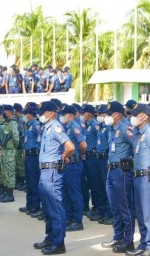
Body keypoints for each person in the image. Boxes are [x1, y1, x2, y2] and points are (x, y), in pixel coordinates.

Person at [33, 101, 74, 255]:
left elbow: (70, 147)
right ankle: (50, 237)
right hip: (45, 171)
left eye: (42, 112)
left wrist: (63, 158)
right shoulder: (47, 127)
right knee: (48, 207)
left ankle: (59, 242)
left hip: (52, 171)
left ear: (50, 113)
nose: (40, 115)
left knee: (55, 207)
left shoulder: (55, 127)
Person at [125, 103, 150, 256]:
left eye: (136, 114)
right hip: (137, 176)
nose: (133, 117)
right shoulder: (138, 133)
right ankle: (144, 243)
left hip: (148, 177)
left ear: (145, 116)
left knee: (149, 213)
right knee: (140, 213)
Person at [101, 101, 136, 253]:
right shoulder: (111, 129)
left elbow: (137, 146)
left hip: (122, 171)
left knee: (124, 207)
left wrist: (132, 163)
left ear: (118, 114)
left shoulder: (125, 128)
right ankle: (118, 237)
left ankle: (128, 241)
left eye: (109, 114)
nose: (107, 117)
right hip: (111, 171)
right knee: (114, 207)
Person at [59, 104, 87, 232]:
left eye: (63, 114)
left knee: (74, 192)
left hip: (74, 164)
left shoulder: (75, 127)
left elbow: (83, 145)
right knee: (66, 192)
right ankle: (69, 217)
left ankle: (77, 220)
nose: (62, 117)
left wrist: (77, 155)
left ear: (69, 115)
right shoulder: (65, 127)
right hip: (66, 163)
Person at [80, 104, 101, 221]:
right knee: (87, 182)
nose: (82, 115)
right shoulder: (85, 125)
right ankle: (91, 206)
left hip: (93, 157)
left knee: (94, 182)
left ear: (88, 113)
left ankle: (97, 206)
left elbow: (99, 140)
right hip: (86, 157)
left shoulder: (95, 125)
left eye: (84, 113)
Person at [19, 105, 41, 215]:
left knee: (34, 181)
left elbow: (40, 140)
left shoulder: (36, 125)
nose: (24, 116)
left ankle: (35, 206)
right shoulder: (28, 125)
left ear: (30, 114)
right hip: (28, 155)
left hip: (34, 156)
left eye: (26, 114)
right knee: (28, 181)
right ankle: (29, 204)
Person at [94, 104, 112, 225]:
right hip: (99, 159)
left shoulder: (108, 127)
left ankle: (109, 214)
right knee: (100, 186)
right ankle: (103, 211)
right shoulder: (100, 126)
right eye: (98, 114)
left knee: (107, 188)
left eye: (101, 114)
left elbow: (110, 145)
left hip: (106, 159)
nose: (99, 116)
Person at [0, 105, 19, 203]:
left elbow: (16, 138)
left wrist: (13, 147)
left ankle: (10, 195)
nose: (3, 113)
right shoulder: (5, 123)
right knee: (4, 172)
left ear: (10, 112)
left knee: (10, 172)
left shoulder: (13, 123)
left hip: (10, 150)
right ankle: (6, 192)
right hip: (4, 150)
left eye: (4, 111)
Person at [14, 103, 26, 191]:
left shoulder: (21, 119)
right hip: (19, 144)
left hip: (20, 145)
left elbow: (22, 133)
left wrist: (20, 145)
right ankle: (18, 181)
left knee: (20, 164)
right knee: (18, 163)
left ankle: (21, 182)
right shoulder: (17, 119)